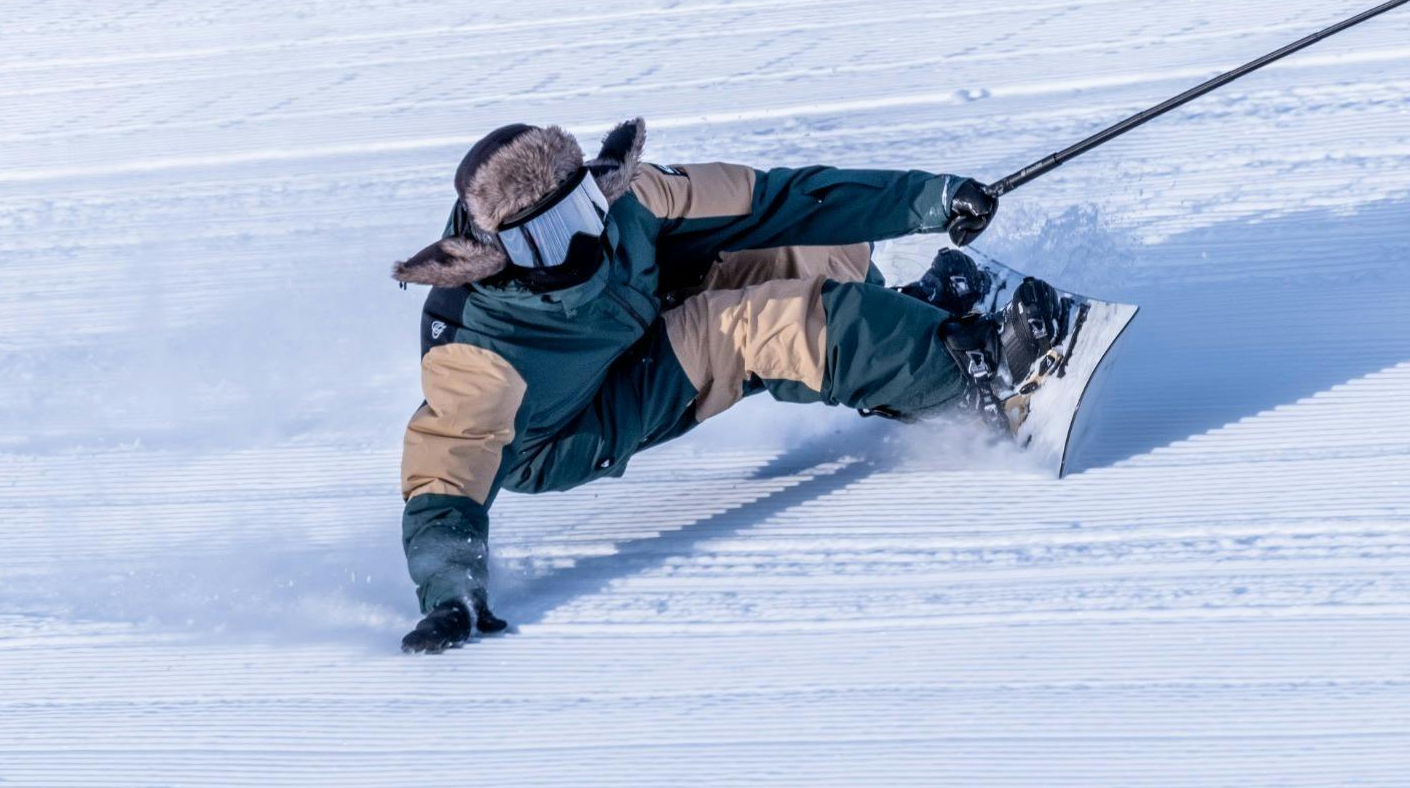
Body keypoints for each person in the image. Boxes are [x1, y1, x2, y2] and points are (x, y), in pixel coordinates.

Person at [387, 119, 1070, 654]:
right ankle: (968, 383)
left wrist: (931, 198)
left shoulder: (634, 197)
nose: (579, 247)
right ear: (498, 251)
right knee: (749, 327)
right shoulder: (480, 345)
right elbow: (443, 479)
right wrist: (453, 591)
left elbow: (778, 200)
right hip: (572, 426)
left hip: (631, 321)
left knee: (788, 247)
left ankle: (912, 332)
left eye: (583, 215)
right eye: (545, 240)